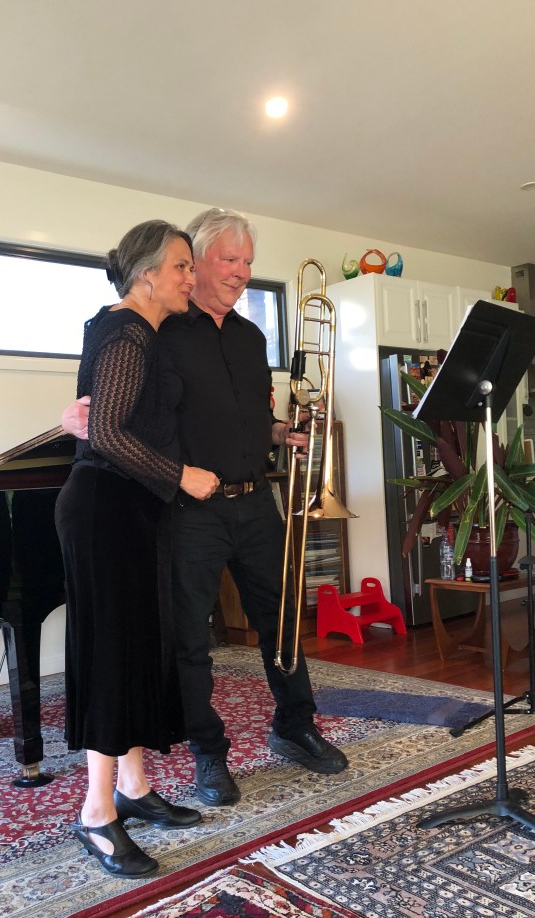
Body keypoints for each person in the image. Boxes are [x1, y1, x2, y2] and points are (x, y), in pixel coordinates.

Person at [62, 208, 348, 809]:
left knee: (283, 622)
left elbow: (238, 415)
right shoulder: (159, 326)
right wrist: (75, 417)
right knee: (190, 639)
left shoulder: (251, 337)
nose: (241, 272)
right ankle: (208, 755)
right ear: (194, 262)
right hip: (188, 509)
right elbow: (117, 406)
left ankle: (296, 727)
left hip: (256, 501)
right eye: (227, 260)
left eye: (248, 262)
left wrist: (280, 433)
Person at [55, 219, 220, 878]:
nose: (192, 277)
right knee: (113, 658)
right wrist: (183, 475)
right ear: (148, 273)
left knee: (135, 650)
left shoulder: (128, 330)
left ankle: (135, 788)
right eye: (183, 266)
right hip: (106, 510)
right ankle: (97, 815)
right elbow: (107, 433)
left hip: (125, 510)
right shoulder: (127, 332)